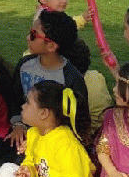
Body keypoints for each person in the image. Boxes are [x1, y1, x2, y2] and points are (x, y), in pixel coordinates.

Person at [0, 80, 96, 177]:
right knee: (6, 168)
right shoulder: (33, 132)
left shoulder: (67, 144)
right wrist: (27, 170)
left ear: (43, 113)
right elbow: (31, 159)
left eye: (28, 103)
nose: (23, 106)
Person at [11, 11, 92, 146]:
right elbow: (14, 98)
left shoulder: (72, 79)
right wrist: (18, 125)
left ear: (51, 46)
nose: (27, 38)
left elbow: (78, 122)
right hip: (24, 134)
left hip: (55, 143)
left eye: (33, 34)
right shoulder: (24, 65)